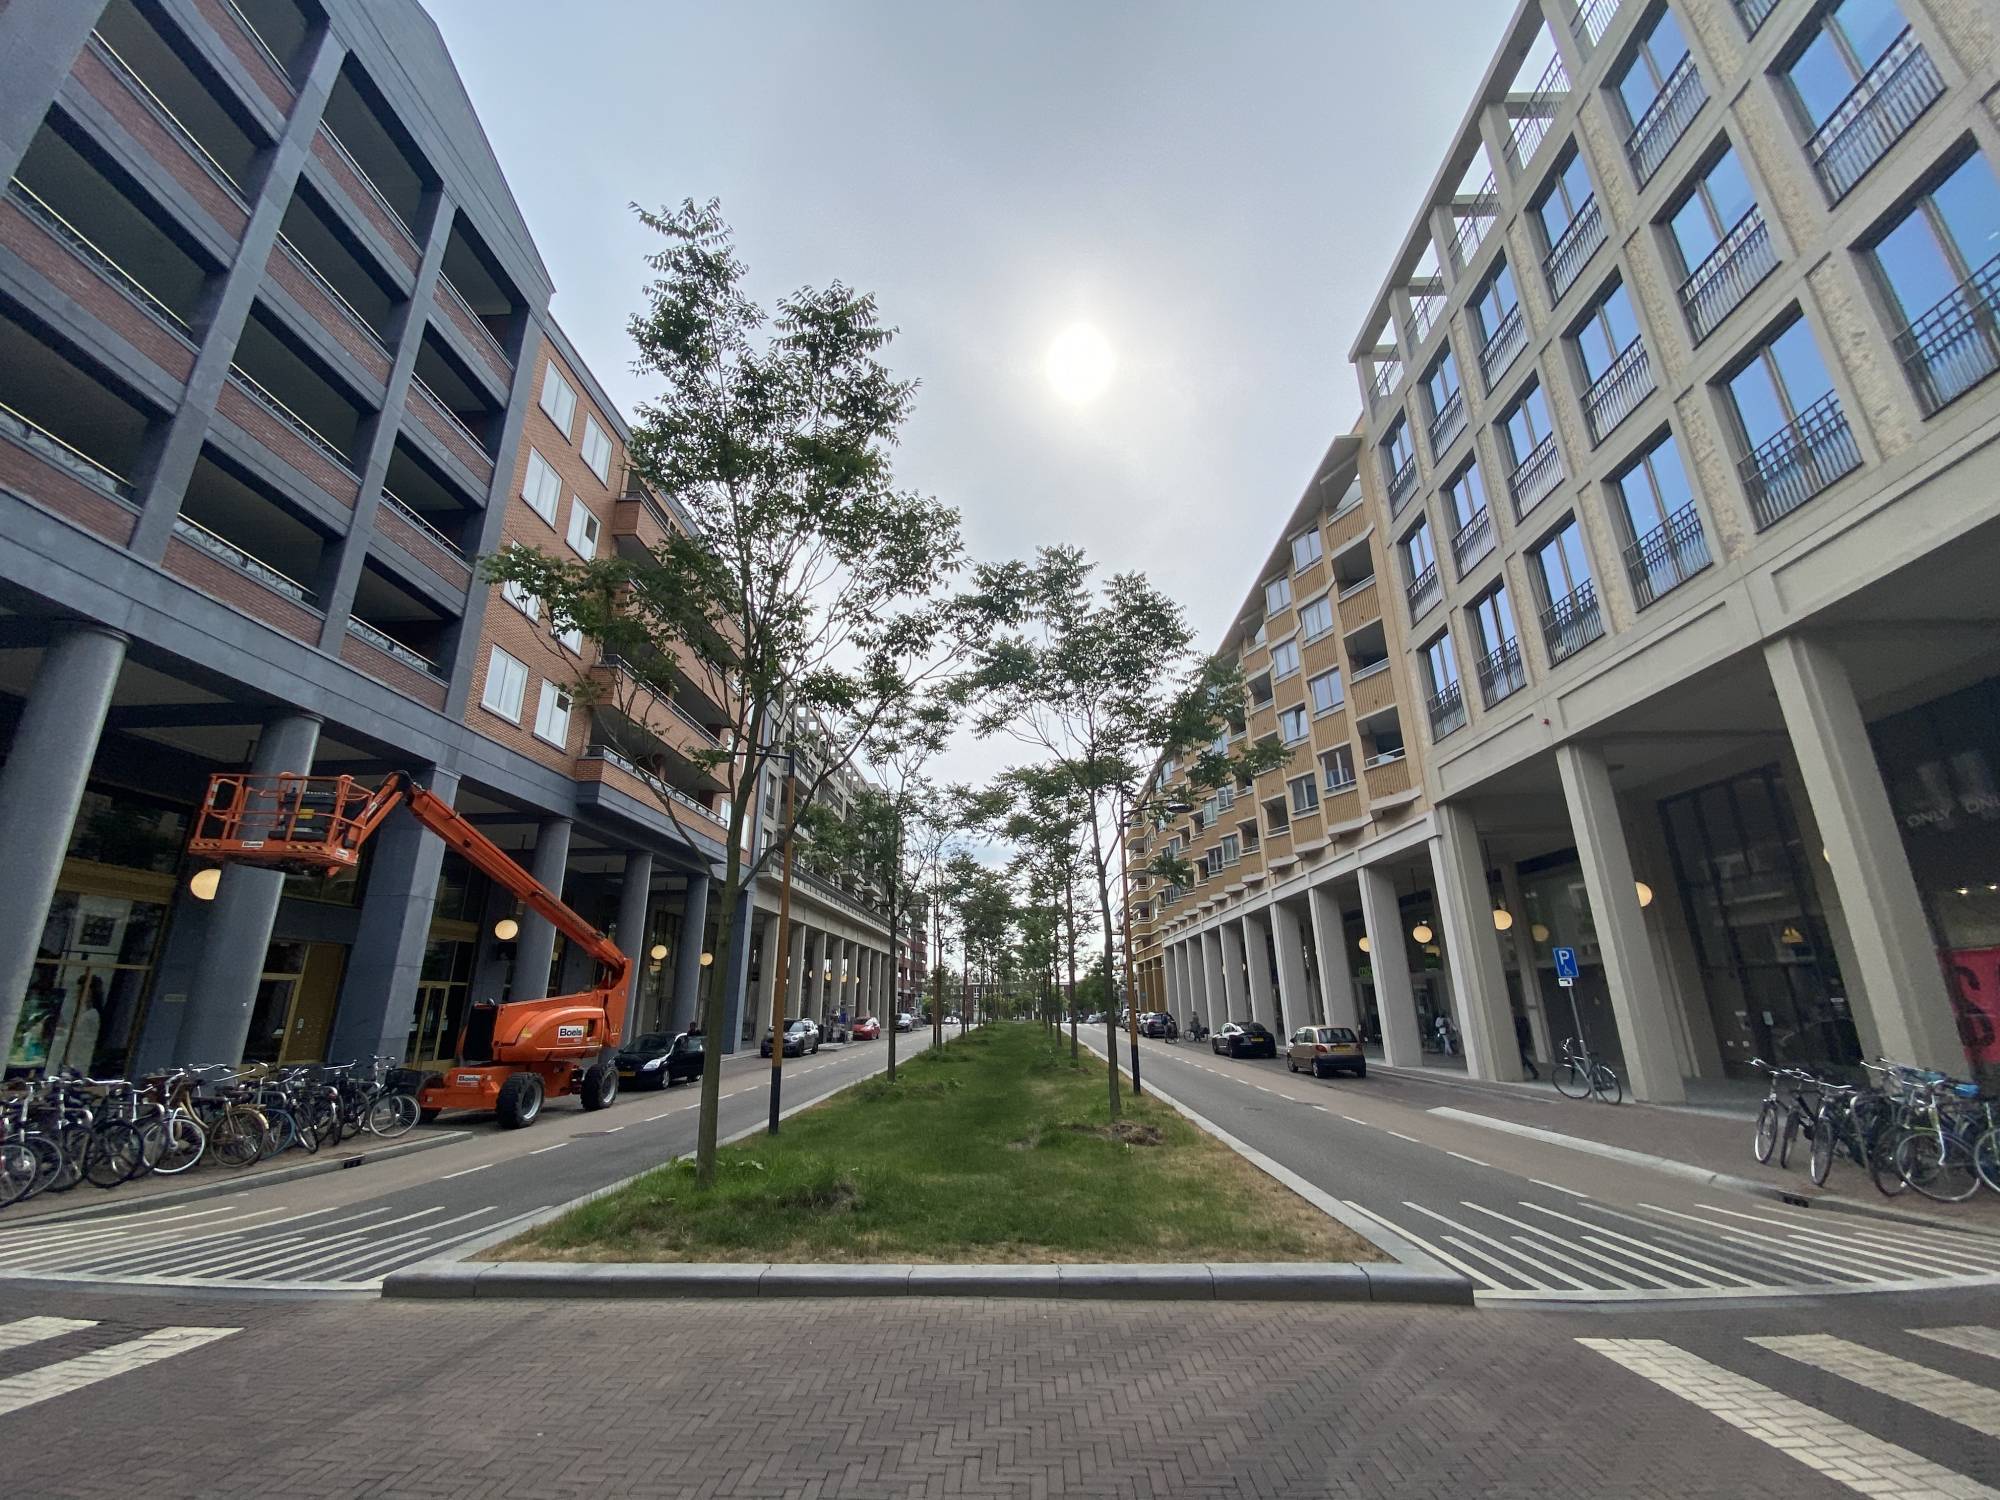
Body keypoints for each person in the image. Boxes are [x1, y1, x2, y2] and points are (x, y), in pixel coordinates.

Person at [1514, 1011, 1539, 1081]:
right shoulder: (1521, 1020)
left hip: (1520, 1041)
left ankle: (1534, 1071)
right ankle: (1530, 1071)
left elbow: (1522, 1032)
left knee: (1522, 1057)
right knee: (1522, 1057)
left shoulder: (1518, 1021)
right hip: (1522, 1041)